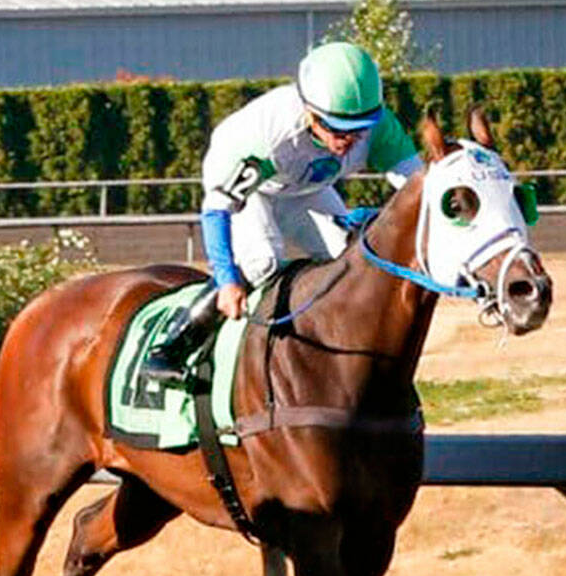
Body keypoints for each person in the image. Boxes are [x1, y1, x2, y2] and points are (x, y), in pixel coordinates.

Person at [140, 41, 424, 384]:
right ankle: (171, 346)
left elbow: (421, 190)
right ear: (309, 112)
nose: (348, 139)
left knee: (348, 255)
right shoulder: (269, 138)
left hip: (302, 187)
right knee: (263, 260)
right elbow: (216, 212)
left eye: (360, 128)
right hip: (256, 188)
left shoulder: (381, 128)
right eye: (337, 128)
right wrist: (228, 280)